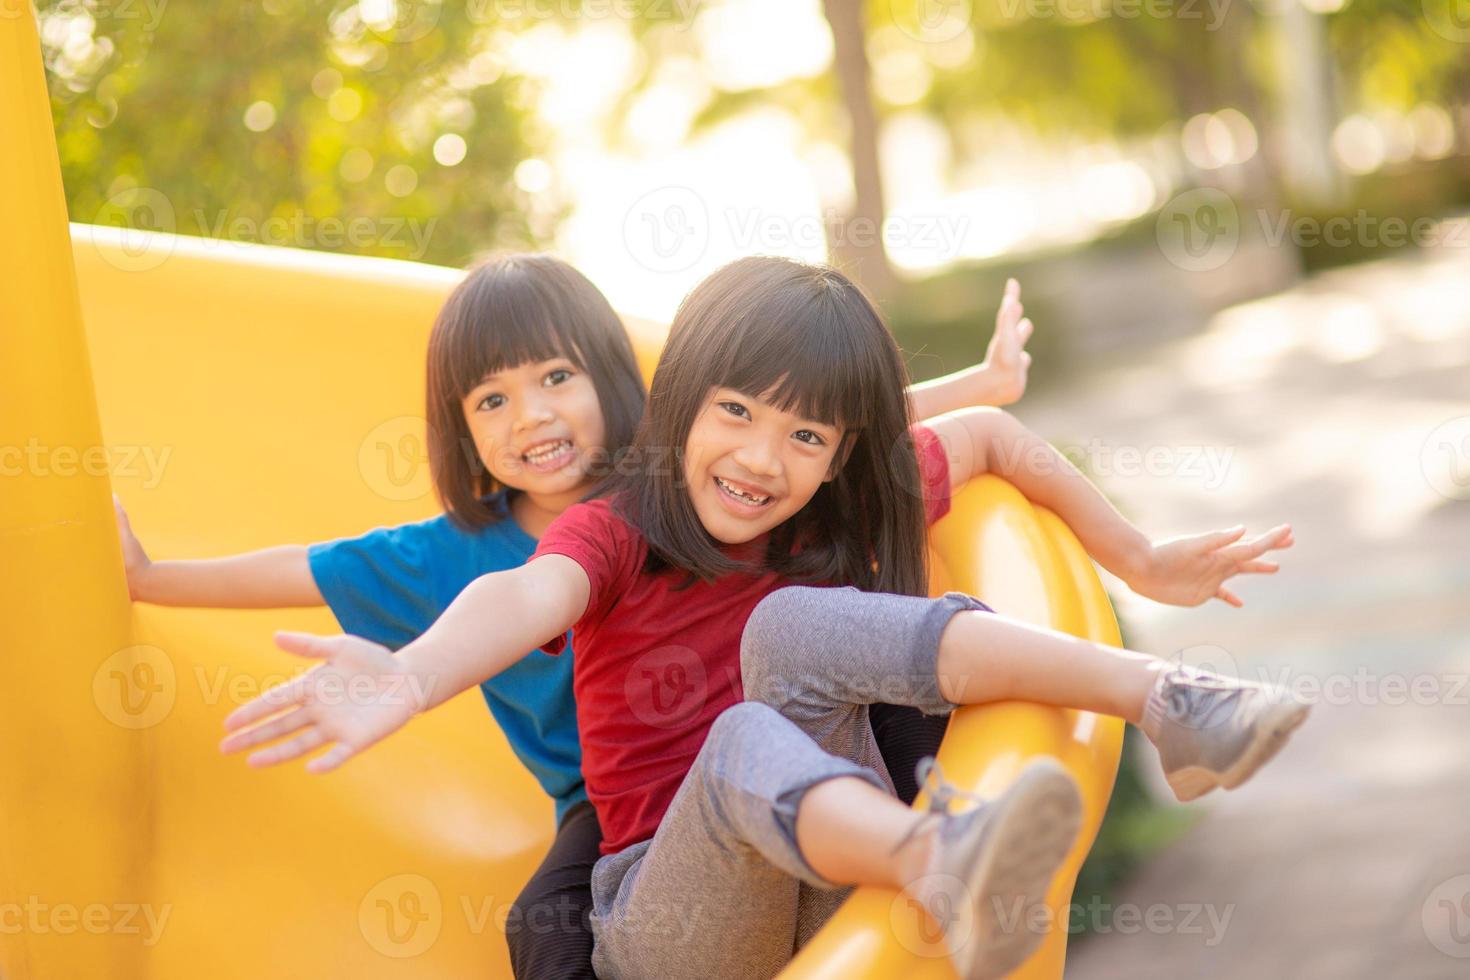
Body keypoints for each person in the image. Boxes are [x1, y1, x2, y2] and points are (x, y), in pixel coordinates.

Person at [118, 252, 1037, 978]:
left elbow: (809, 433)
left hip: (755, 730)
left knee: (878, 684)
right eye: (492, 399)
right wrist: (154, 578)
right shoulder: (452, 552)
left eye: (555, 378)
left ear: (610, 377)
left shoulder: (672, 475)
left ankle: (956, 842)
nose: (531, 416)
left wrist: (976, 387)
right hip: (613, 808)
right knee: (542, 926)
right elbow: (305, 568)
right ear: (461, 428)